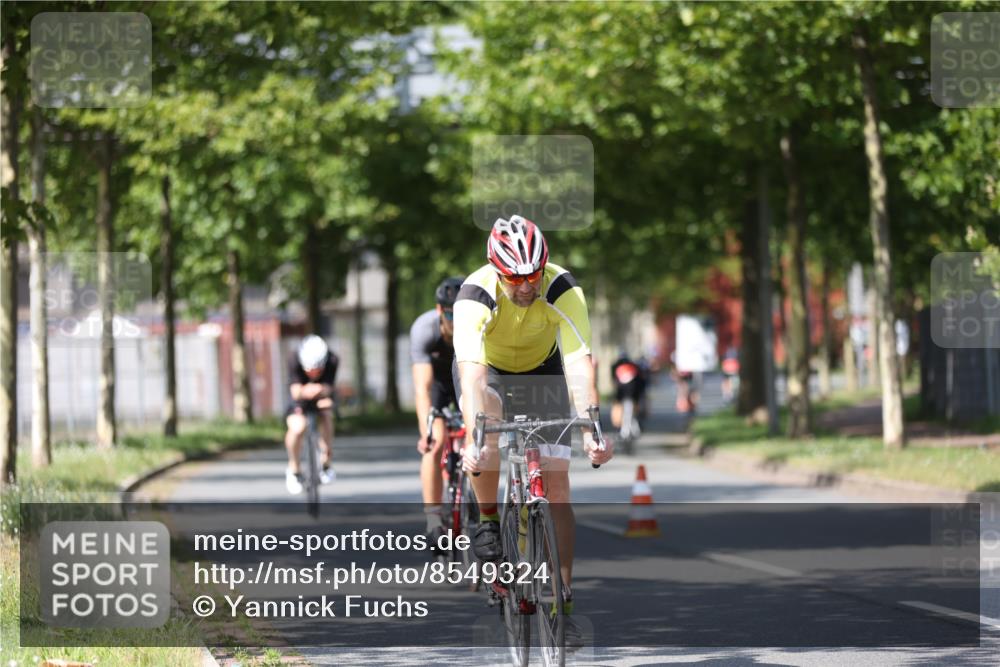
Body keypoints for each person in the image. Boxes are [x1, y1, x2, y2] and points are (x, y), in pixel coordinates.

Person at [453, 215, 613, 648]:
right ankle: (487, 519)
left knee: (558, 484)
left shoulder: (563, 288)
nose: (526, 287)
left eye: (533, 276)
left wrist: (593, 429)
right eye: (514, 279)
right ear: (495, 269)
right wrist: (473, 438)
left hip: (543, 372)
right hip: (489, 371)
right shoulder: (474, 295)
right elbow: (471, 376)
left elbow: (579, 361)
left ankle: (562, 603)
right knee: (485, 435)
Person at [410, 276, 465, 548]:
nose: (457, 320)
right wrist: (427, 430)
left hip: (467, 379)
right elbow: (422, 388)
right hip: (438, 384)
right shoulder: (424, 329)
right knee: (436, 443)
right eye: (452, 314)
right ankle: (433, 517)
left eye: (462, 313)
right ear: (440, 310)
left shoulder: (481, 326)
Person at [284, 335, 338, 494]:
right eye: (310, 370)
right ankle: (294, 469)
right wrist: (306, 390)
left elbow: (329, 387)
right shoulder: (293, 358)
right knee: (298, 427)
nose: (314, 374)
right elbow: (295, 391)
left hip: (322, 396)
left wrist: (321, 391)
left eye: (318, 370)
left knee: (327, 412)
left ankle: (326, 461)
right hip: (299, 398)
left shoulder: (332, 360)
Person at [610, 348, 647, 432]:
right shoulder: (634, 365)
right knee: (630, 410)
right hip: (632, 392)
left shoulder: (616, 366)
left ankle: (625, 427)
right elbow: (640, 380)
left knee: (624, 410)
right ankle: (632, 427)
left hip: (623, 392)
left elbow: (614, 380)